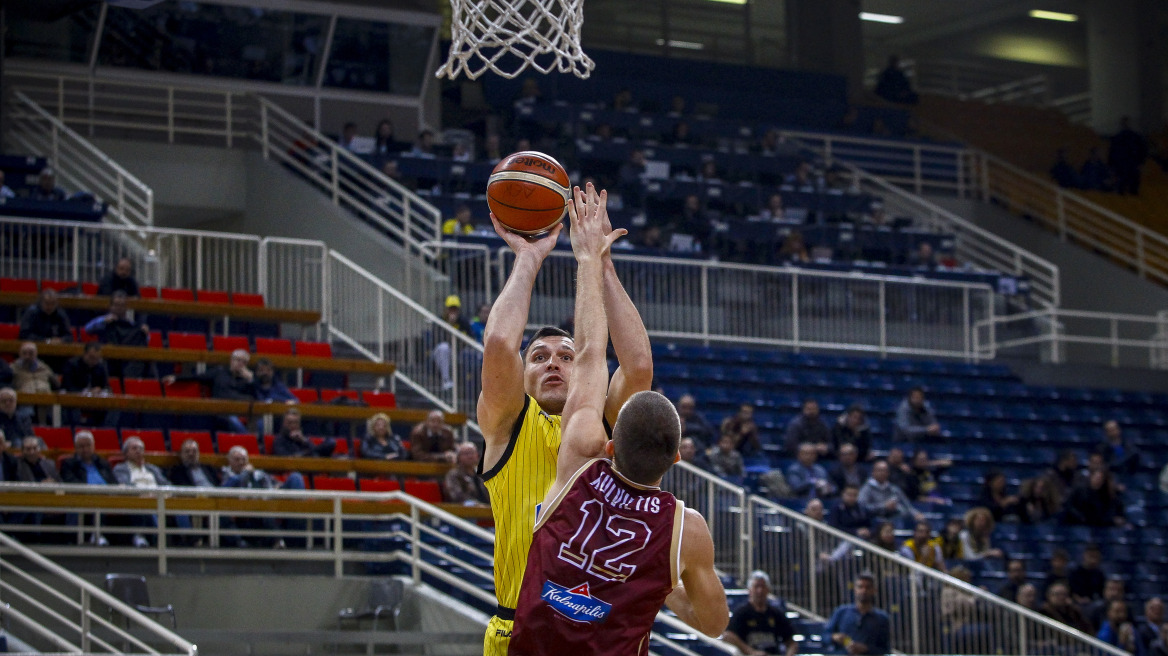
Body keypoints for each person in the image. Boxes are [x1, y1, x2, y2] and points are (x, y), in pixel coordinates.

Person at [508, 188, 728, 654]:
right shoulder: (685, 529)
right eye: (541, 357)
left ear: (610, 444)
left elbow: (593, 355)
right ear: (675, 457)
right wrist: (662, 584)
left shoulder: (578, 459)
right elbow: (714, 624)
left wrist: (590, 259)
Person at [475, 181, 653, 656]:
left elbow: (637, 366)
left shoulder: (603, 420)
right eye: (538, 357)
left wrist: (602, 261)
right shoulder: (507, 424)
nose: (553, 362)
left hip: (598, 631)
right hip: (520, 629)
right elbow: (499, 344)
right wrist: (528, 257)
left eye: (567, 356)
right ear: (522, 376)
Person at [163, 349, 256, 433]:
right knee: (234, 420)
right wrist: (177, 378)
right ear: (231, 360)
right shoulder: (219, 372)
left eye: (244, 362)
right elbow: (198, 377)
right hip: (221, 412)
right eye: (238, 360)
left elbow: (255, 396)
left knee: (259, 421)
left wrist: (251, 381)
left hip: (241, 411)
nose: (240, 364)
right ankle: (249, 440)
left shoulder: (247, 379)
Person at [59, 430, 116, 544]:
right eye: (81, 446)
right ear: (75, 448)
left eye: (88, 445)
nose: (85, 449)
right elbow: (71, 482)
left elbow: (113, 482)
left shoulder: (102, 463)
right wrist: (92, 491)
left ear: (93, 446)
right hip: (83, 496)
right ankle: (89, 536)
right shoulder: (69, 464)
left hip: (107, 496)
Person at [723, 571, 797, 656]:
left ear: (768, 590)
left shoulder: (776, 613)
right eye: (756, 587)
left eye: (763, 586)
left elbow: (792, 643)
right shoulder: (741, 613)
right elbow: (728, 636)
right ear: (750, 590)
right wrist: (750, 651)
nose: (760, 590)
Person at [112, 436, 169, 547]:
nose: (138, 451)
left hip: (159, 497)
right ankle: (156, 540)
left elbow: (165, 483)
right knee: (146, 505)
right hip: (138, 499)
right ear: (126, 453)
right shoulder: (120, 469)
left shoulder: (152, 468)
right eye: (134, 448)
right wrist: (144, 494)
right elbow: (124, 485)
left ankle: (190, 540)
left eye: (141, 449)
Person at [825, 572, 891, 655]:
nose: (864, 591)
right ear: (855, 589)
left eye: (868, 587)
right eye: (860, 587)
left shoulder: (882, 618)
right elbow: (825, 636)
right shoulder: (841, 612)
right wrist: (834, 637)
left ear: (874, 590)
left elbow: (885, 649)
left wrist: (866, 649)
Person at [431, 295, 472, 391]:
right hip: (440, 353)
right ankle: (446, 380)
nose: (453, 312)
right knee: (444, 348)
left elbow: (470, 338)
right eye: (450, 309)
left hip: (458, 352)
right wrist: (449, 325)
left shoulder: (463, 321)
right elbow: (437, 340)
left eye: (455, 309)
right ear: (446, 310)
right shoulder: (440, 321)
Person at [84, 291, 150, 347]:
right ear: (111, 306)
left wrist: (145, 334)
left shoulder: (131, 323)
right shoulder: (104, 320)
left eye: (122, 305)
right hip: (106, 353)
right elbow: (87, 329)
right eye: (116, 305)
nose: (119, 308)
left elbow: (145, 340)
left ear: (126, 307)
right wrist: (103, 321)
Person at [1109, 117, 1148, 195]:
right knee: (1122, 188)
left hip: (1132, 165)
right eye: (1124, 123)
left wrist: (1141, 162)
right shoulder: (1118, 138)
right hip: (1122, 166)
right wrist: (1112, 166)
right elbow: (1112, 152)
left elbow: (1142, 150)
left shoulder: (1135, 137)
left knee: (1132, 188)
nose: (1125, 124)